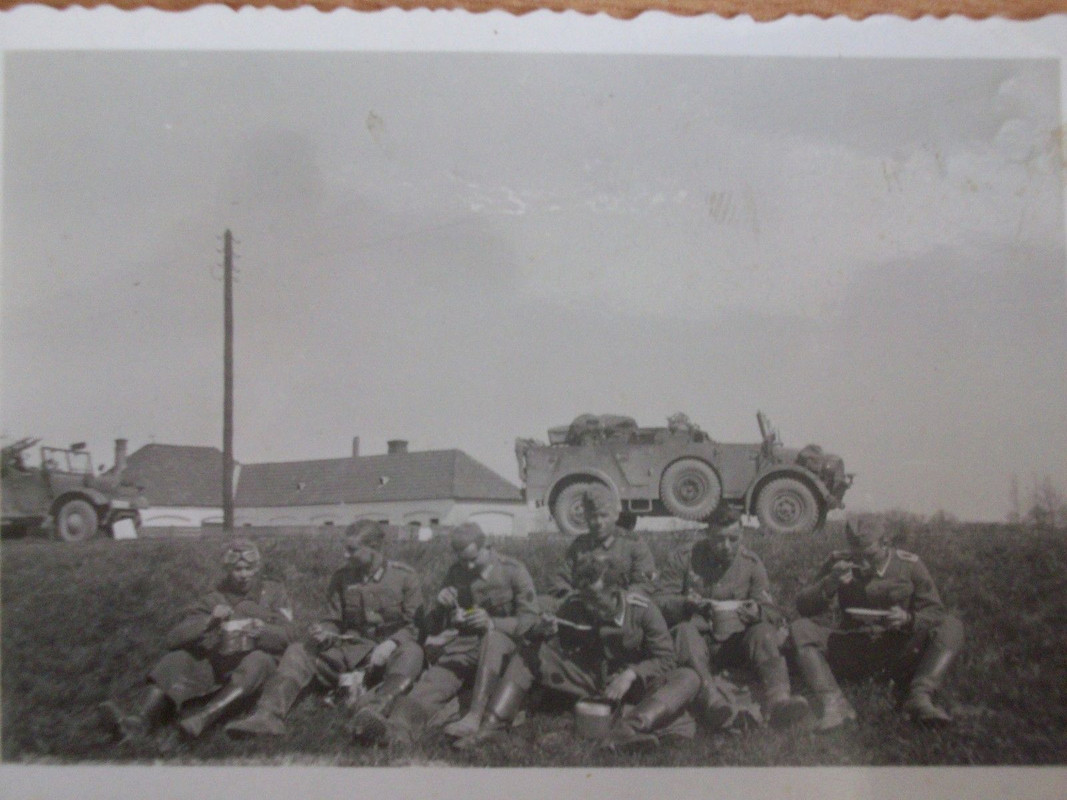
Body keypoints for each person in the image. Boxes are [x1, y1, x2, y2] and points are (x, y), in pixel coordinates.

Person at [454, 554, 700, 751]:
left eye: (596, 599)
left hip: (633, 688)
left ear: (615, 592)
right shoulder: (575, 605)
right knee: (529, 654)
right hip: (588, 680)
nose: (590, 607)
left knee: (688, 677)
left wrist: (632, 674)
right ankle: (492, 727)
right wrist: (544, 630)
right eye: (585, 599)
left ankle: (627, 730)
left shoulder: (643, 610)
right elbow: (552, 644)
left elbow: (666, 659)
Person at [225, 520, 424, 737]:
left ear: (374, 547)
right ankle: (267, 716)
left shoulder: (404, 577)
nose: (345, 555)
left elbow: (416, 625)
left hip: (387, 657)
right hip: (350, 651)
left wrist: (391, 643)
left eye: (352, 550)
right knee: (299, 650)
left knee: (413, 652)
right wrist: (324, 631)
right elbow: (333, 619)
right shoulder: (342, 578)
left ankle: (373, 712)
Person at [352, 521, 540, 746]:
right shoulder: (456, 572)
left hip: (504, 651)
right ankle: (396, 730)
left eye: (473, 559)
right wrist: (441, 606)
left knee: (493, 639)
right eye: (462, 560)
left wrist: (493, 623)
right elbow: (433, 627)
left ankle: (475, 716)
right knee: (432, 683)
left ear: (486, 547)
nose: (468, 567)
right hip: (465, 648)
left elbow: (530, 620)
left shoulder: (513, 571)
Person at [99, 538, 295, 741]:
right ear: (227, 570)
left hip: (258, 670)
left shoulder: (273, 593)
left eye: (248, 568)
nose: (243, 575)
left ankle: (201, 719)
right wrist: (210, 622)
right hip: (218, 664)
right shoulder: (213, 599)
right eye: (237, 569)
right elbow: (174, 638)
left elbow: (290, 633)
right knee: (176, 659)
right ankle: (137, 722)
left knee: (258, 661)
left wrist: (263, 631)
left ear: (256, 568)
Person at [789, 519, 965, 731]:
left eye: (869, 556)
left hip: (898, 647)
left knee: (951, 625)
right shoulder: (838, 563)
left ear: (886, 543)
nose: (862, 564)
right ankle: (834, 704)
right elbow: (804, 607)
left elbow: (935, 611)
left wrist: (909, 618)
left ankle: (919, 697)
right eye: (856, 556)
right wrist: (830, 582)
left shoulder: (910, 565)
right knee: (801, 629)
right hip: (854, 646)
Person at [654, 515, 810, 729]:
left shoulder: (751, 563)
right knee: (683, 630)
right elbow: (659, 601)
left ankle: (779, 701)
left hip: (737, 643)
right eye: (719, 539)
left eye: (733, 539)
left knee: (763, 630)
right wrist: (684, 604)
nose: (726, 546)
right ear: (707, 533)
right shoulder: (684, 558)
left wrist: (758, 612)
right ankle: (712, 701)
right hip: (699, 644)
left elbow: (772, 611)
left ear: (742, 534)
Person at [546, 485, 656, 601]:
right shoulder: (580, 545)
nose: (599, 522)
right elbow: (558, 579)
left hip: (622, 609)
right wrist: (572, 597)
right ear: (586, 517)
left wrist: (619, 599)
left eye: (604, 515)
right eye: (593, 516)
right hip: (584, 608)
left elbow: (647, 583)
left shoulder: (633, 544)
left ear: (615, 515)